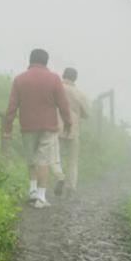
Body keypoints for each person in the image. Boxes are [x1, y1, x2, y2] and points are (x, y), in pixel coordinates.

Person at [4, 48, 72, 208]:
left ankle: (32, 190)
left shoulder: (19, 80)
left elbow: (12, 107)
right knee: (43, 160)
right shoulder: (54, 79)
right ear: (46, 61)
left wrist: (7, 127)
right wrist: (68, 122)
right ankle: (41, 197)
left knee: (31, 158)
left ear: (30, 60)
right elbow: (63, 104)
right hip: (48, 126)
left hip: (27, 125)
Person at [58, 67, 91, 195]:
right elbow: (87, 114)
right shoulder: (79, 94)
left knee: (56, 157)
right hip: (73, 128)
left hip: (55, 127)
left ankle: (59, 177)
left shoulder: (56, 89)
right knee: (72, 160)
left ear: (63, 75)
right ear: (75, 78)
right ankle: (70, 187)